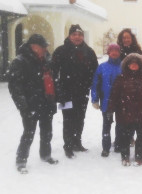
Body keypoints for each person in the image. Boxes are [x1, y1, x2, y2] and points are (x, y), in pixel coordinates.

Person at [8, 34, 58, 173]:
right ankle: (21, 161)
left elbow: (52, 79)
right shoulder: (20, 61)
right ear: (33, 46)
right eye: (43, 46)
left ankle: (46, 155)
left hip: (47, 101)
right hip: (31, 104)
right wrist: (23, 106)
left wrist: (54, 97)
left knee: (47, 131)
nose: (45, 48)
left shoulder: (46, 59)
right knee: (28, 133)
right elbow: (15, 86)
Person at [52, 24, 98, 158]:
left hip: (82, 92)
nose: (77, 37)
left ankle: (77, 142)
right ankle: (68, 146)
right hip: (66, 92)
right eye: (74, 34)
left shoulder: (89, 52)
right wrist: (58, 89)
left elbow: (95, 71)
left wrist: (91, 86)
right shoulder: (60, 51)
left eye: (80, 34)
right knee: (68, 119)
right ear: (69, 36)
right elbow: (53, 72)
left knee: (80, 118)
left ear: (83, 36)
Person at [108, 53, 142, 166]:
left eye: (136, 64)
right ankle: (125, 156)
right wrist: (110, 110)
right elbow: (114, 96)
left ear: (140, 65)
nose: (134, 66)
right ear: (127, 65)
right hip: (124, 113)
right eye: (131, 64)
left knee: (141, 137)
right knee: (125, 137)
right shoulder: (120, 79)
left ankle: (139, 157)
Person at [91, 44, 122, 157]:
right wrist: (95, 99)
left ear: (119, 53)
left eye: (116, 51)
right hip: (106, 101)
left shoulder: (123, 66)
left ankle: (119, 144)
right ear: (108, 53)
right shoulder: (102, 67)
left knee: (120, 124)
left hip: (121, 101)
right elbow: (96, 84)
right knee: (107, 125)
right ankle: (106, 147)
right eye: (112, 51)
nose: (114, 53)